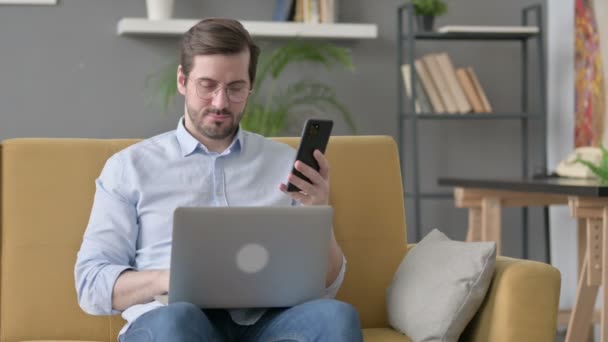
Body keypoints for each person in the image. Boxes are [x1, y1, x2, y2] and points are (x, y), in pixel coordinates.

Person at [74, 17, 363, 342]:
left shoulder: (287, 164)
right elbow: (91, 284)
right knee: (175, 322)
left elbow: (327, 286)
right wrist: (168, 279)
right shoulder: (129, 168)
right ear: (182, 81)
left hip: (268, 323)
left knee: (337, 317)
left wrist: (317, 214)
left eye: (235, 88)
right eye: (207, 85)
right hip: (175, 320)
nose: (221, 102)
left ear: (250, 87)